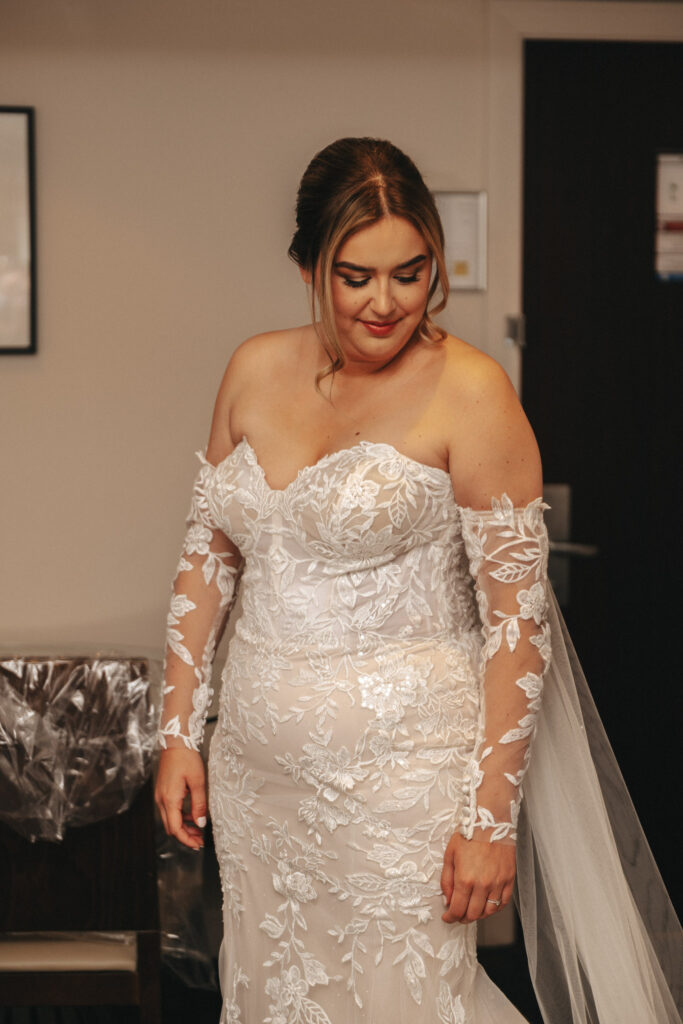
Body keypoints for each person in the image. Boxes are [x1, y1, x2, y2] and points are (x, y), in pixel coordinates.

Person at [155, 138, 681, 1024]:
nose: (384, 302)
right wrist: (176, 731)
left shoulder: (471, 391)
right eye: (355, 276)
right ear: (307, 266)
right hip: (256, 778)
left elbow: (518, 623)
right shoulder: (252, 368)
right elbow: (208, 554)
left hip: (402, 785)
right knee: (274, 993)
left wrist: (487, 820)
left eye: (409, 272)